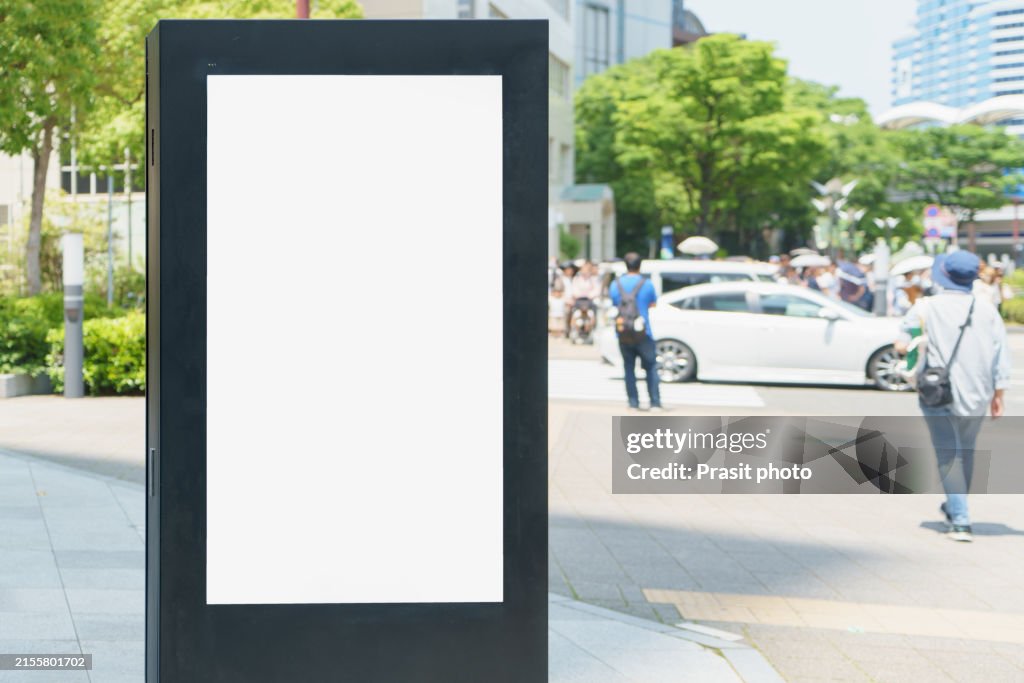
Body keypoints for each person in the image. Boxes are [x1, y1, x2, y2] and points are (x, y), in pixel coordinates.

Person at [895, 251, 1011, 542]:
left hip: (938, 392)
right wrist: (999, 394)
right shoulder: (987, 310)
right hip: (978, 391)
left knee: (948, 454)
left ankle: (960, 520)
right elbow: (1001, 356)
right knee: (966, 450)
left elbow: (901, 344)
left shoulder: (924, 307)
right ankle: (954, 505)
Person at [609, 252, 662, 411]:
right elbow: (653, 303)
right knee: (651, 366)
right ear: (640, 264)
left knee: (628, 367)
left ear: (625, 265)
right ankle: (654, 402)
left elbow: (614, 302)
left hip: (623, 330)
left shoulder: (615, 284)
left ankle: (633, 403)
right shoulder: (647, 284)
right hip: (643, 331)